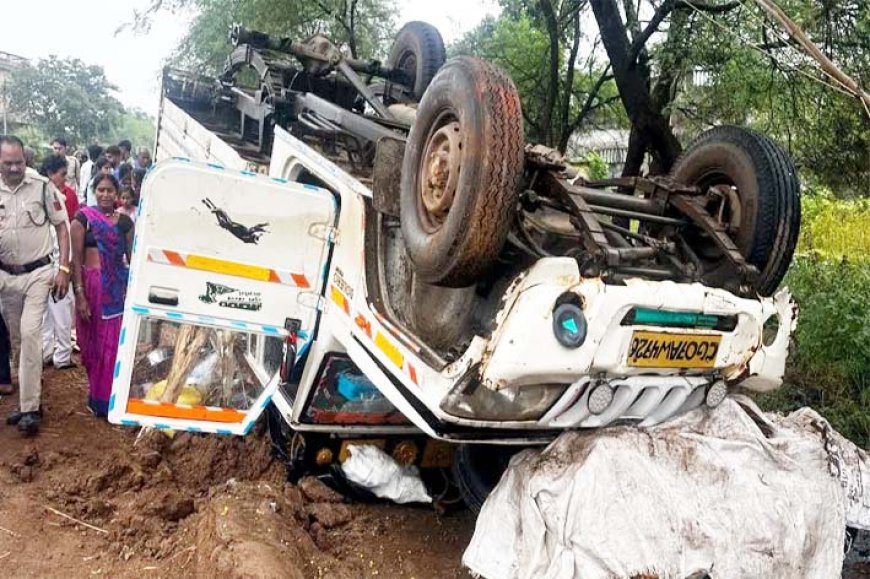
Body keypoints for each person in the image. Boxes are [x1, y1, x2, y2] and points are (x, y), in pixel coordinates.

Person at [0, 135, 71, 435]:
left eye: (19, 162)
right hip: (5, 277)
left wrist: (64, 269)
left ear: (25, 160)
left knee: (31, 332)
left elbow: (62, 227)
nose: (15, 168)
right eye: (8, 163)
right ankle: (29, 399)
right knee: (17, 340)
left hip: (38, 274)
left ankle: (30, 409)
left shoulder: (42, 186)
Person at [71, 173, 132, 417]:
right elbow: (76, 260)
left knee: (113, 345)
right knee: (92, 344)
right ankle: (95, 397)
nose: (105, 194)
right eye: (101, 190)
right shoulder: (83, 218)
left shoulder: (125, 222)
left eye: (110, 190)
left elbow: (132, 256)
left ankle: (109, 402)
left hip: (116, 289)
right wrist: (80, 295)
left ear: (117, 194)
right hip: (92, 288)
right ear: (94, 191)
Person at [38, 155, 79, 370]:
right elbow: (60, 233)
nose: (64, 179)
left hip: (44, 263)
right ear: (50, 173)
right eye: (62, 175)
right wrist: (65, 266)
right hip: (56, 263)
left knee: (48, 312)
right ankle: (62, 356)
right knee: (62, 310)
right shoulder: (53, 196)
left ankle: (46, 351)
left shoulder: (39, 194)